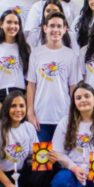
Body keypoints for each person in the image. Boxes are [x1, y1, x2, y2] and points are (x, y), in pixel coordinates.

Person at [27, 12, 81, 142]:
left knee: (61, 159)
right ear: (45, 28)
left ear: (64, 29)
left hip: (64, 116)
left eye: (59, 26)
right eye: (52, 26)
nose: (55, 30)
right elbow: (31, 85)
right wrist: (30, 113)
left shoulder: (71, 55)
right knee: (43, 160)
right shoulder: (36, 53)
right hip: (40, 117)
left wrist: (74, 114)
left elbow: (73, 87)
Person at [0, 10, 30, 129]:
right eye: (9, 22)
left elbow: (31, 81)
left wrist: (24, 101)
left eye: (16, 23)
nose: (12, 26)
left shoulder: (26, 49)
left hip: (19, 97)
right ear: (1, 24)